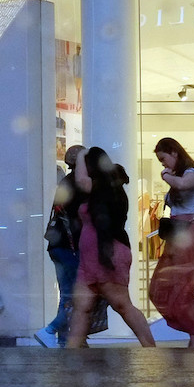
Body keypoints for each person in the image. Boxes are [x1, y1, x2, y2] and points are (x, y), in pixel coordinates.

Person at [66, 147, 154, 348]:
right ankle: (71, 356)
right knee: (83, 307)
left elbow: (80, 181)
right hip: (92, 257)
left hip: (107, 253)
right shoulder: (102, 188)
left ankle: (150, 348)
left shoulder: (104, 189)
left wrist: (80, 154)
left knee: (122, 305)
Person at [150, 137, 194, 349]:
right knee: (160, 287)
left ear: (174, 153)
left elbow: (183, 185)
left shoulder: (191, 174)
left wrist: (166, 175)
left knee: (185, 289)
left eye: (163, 159)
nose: (163, 165)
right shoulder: (179, 175)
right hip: (178, 236)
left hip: (189, 237)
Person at [37, 144, 86, 347]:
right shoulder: (78, 184)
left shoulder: (66, 183)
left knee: (67, 292)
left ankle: (65, 339)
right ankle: (52, 330)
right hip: (70, 246)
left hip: (58, 245)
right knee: (76, 294)